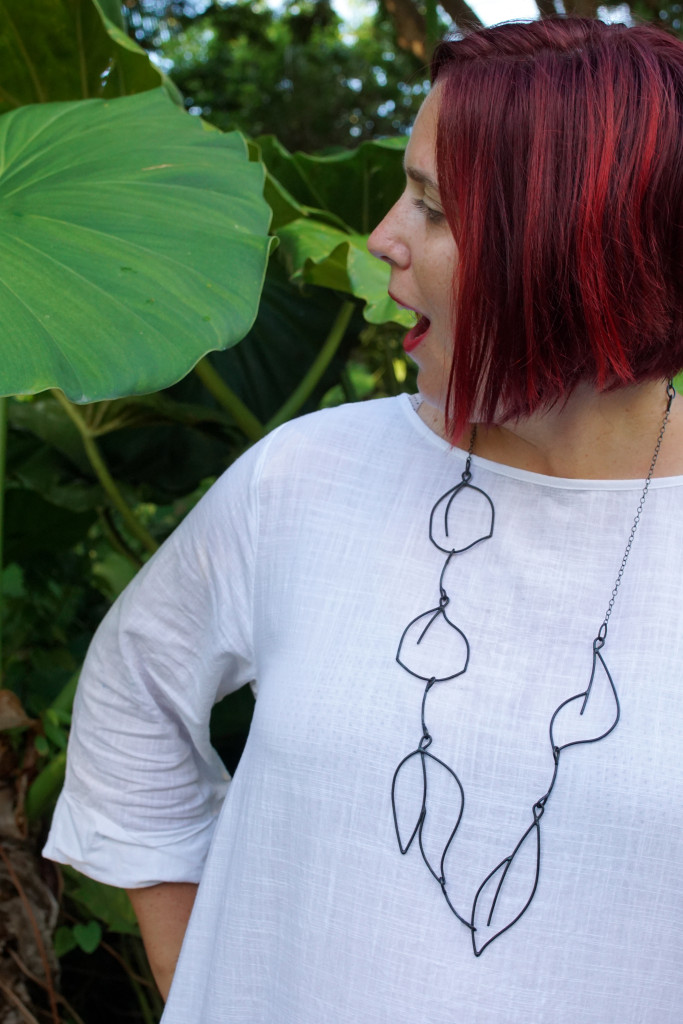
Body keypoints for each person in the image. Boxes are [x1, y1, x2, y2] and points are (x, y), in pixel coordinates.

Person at [45, 16, 683, 1023]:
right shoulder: (307, 477)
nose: (381, 234)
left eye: (428, 207)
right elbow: (133, 692)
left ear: (568, 251)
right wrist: (203, 972)